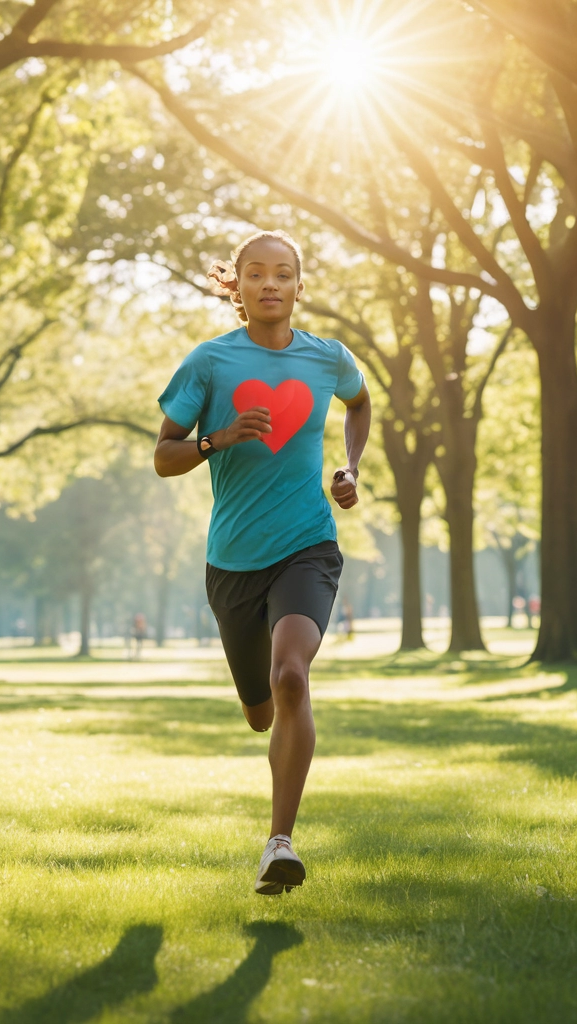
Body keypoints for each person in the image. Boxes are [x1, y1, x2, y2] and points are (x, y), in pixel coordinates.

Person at [154, 229, 371, 896]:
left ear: (300, 286)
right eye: (256, 274)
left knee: (291, 677)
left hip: (308, 546)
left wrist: (349, 466)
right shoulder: (209, 363)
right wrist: (216, 440)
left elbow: (359, 402)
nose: (270, 283)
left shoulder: (328, 359)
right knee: (259, 710)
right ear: (238, 288)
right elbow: (164, 455)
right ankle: (269, 721)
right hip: (233, 562)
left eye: (284, 273)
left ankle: (280, 844)